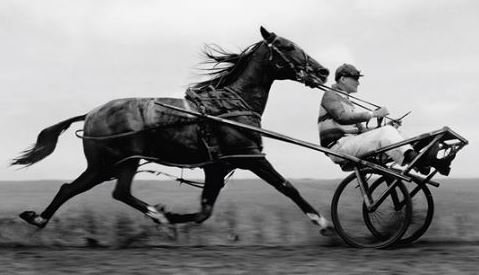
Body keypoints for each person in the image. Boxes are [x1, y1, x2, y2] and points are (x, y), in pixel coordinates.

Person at [318, 63, 453, 175]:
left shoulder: (348, 102)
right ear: (342, 79)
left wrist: (387, 126)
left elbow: (363, 132)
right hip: (338, 148)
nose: (358, 83)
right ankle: (419, 161)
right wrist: (373, 114)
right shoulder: (330, 95)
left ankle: (428, 163)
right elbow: (342, 117)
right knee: (387, 132)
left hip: (349, 143)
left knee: (394, 131)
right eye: (355, 78)